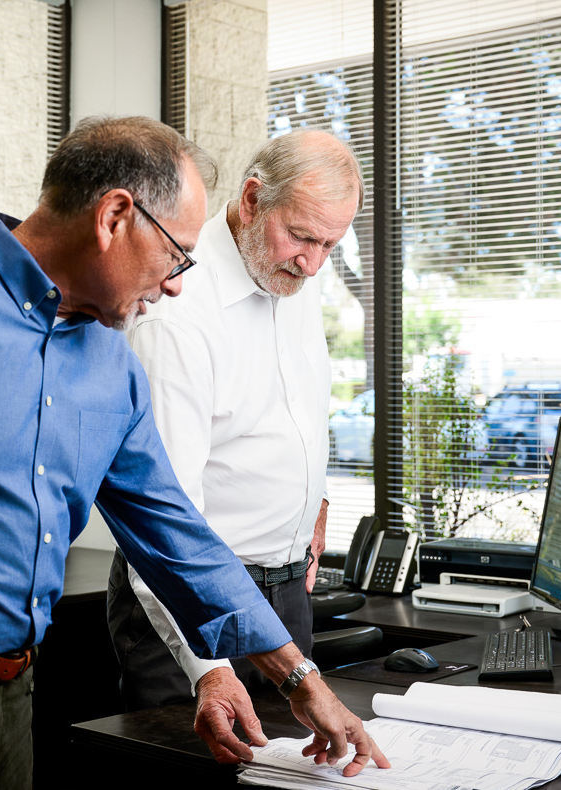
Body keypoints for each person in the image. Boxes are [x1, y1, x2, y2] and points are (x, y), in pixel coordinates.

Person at [0, 116, 388, 790]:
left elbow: (173, 532)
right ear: (113, 216)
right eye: (177, 255)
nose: (176, 284)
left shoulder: (111, 364)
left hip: (11, 698)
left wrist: (297, 676)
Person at [107, 130, 362, 716]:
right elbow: (163, 514)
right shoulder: (175, 310)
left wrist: (311, 504)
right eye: (302, 237)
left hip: (288, 592)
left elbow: (295, 412)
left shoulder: (293, 270)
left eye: (331, 244)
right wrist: (210, 670)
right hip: (190, 602)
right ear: (251, 200)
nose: (313, 262)